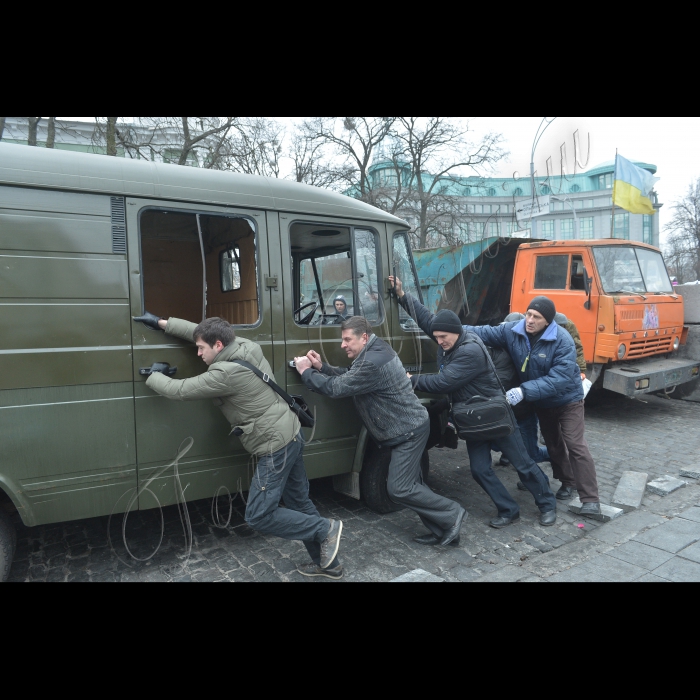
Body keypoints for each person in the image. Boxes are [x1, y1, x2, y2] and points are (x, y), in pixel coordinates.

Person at [133, 312, 345, 580]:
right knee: (299, 502)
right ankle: (330, 565)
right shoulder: (245, 346)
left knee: (259, 515)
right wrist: (161, 323)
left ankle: (325, 529)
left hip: (274, 446)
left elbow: (180, 390)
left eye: (201, 349)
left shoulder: (225, 373)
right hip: (291, 433)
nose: (198, 353)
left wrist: (152, 376)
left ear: (218, 346)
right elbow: (200, 332)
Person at [391, 278, 558, 530]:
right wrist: (403, 295)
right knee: (480, 470)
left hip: (495, 414)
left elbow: (444, 382)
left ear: (456, 332)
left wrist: (411, 379)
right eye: (436, 337)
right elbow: (427, 320)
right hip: (472, 417)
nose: (439, 341)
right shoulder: (449, 337)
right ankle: (508, 509)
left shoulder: (469, 350)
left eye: (443, 337)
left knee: (523, 464)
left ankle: (547, 504)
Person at [294, 316, 467, 548]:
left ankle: (453, 514)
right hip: (406, 428)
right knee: (414, 484)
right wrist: (322, 367)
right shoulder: (373, 350)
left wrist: (305, 371)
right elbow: (350, 376)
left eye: (347, 340)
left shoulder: (371, 361)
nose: (342, 345)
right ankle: (444, 529)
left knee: (400, 488)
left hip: (409, 431)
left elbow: (336, 388)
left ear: (363, 337)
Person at [463, 297, 603, 518]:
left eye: (536, 317)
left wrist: (523, 391)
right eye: (528, 314)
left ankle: (591, 500)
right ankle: (567, 482)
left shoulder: (562, 340)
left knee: (576, 445)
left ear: (547, 321)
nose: (529, 320)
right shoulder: (514, 331)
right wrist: (450, 328)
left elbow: (559, 379)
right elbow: (482, 331)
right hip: (543, 402)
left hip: (568, 401)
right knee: (554, 445)